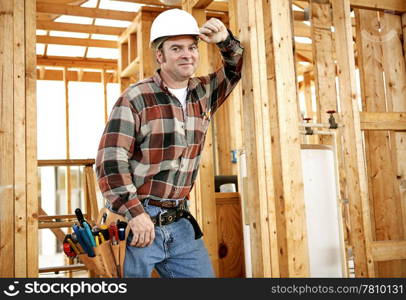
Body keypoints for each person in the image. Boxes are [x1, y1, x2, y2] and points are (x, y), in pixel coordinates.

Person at [96, 8, 243, 278]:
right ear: (160, 56)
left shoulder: (203, 93)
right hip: (137, 221)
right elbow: (110, 162)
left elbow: (235, 68)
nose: (187, 54)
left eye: (191, 47)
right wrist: (135, 213)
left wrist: (224, 40)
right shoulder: (136, 97)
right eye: (176, 48)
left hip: (180, 221)